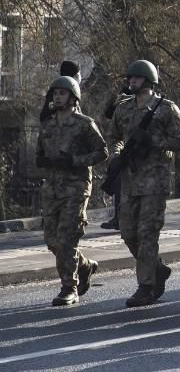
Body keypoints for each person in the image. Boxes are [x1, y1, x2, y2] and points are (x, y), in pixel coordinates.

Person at [104, 60, 180, 307]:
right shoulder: (123, 109)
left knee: (147, 234)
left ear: (149, 81)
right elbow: (113, 137)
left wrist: (154, 141)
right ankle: (158, 269)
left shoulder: (166, 109)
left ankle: (146, 286)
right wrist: (117, 154)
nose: (131, 82)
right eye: (129, 78)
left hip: (155, 182)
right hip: (130, 181)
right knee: (128, 232)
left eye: (136, 78)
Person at [36, 75, 107, 306]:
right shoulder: (47, 125)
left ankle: (69, 287)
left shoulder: (84, 124)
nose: (58, 97)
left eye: (62, 93)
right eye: (55, 93)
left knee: (67, 238)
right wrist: (43, 161)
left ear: (73, 97)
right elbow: (40, 154)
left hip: (75, 188)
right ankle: (85, 266)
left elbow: (101, 152)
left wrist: (75, 160)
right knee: (52, 240)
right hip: (52, 189)